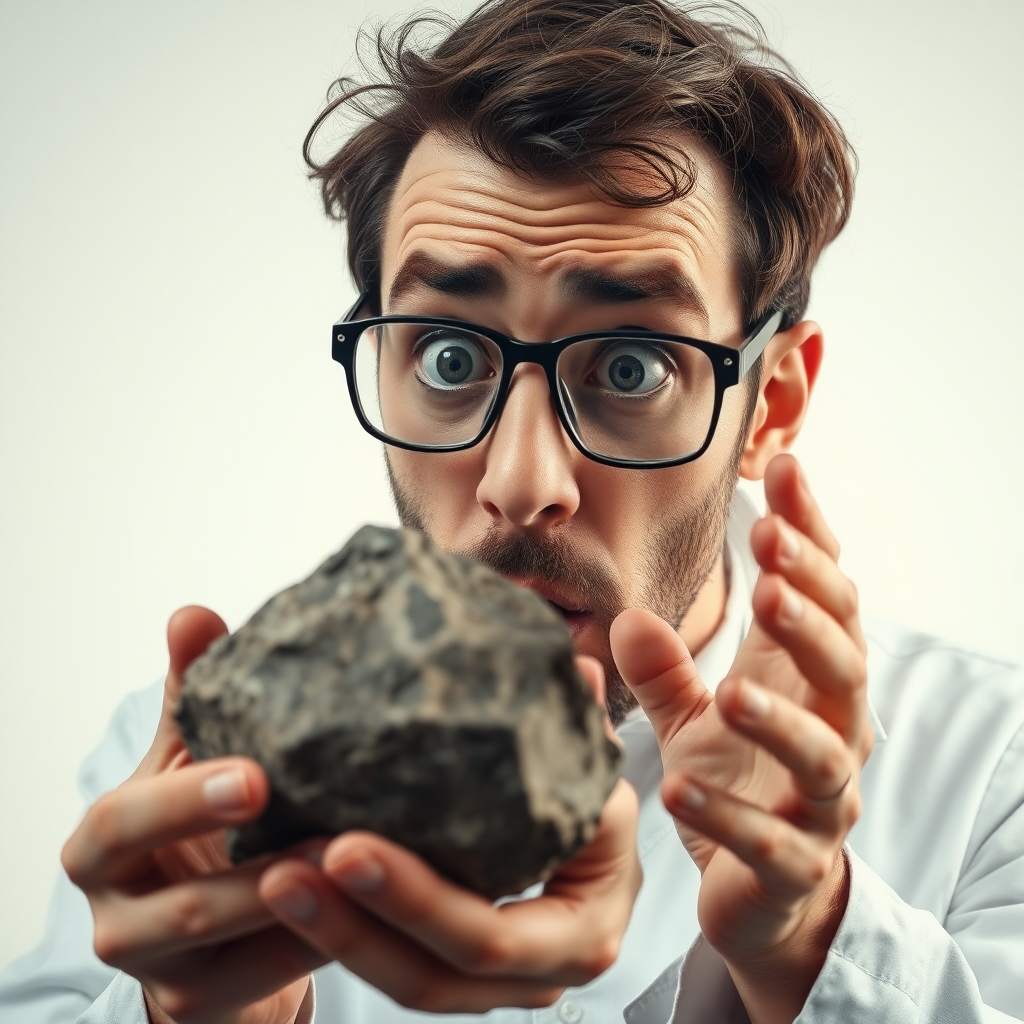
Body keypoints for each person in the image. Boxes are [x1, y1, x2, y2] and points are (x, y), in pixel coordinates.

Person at [2, 0, 1022, 1021]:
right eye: (448, 357)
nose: (522, 480)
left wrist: (805, 938)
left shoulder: (990, 775)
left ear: (771, 404)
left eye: (631, 364)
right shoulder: (182, 765)